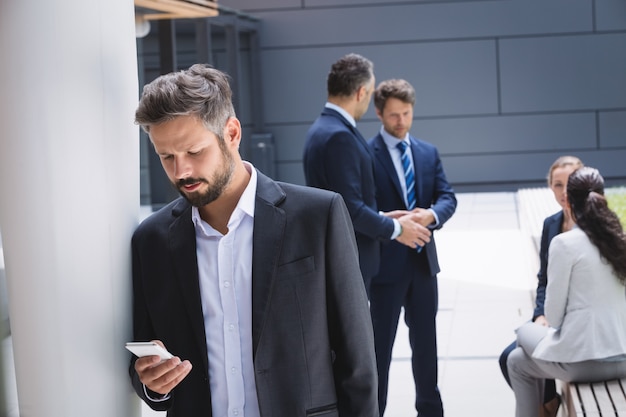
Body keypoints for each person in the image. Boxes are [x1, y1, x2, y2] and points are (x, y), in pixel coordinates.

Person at [129, 64, 379, 417]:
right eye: (166, 157)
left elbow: (357, 359)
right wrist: (151, 384)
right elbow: (146, 358)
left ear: (231, 133)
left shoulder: (317, 216)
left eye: (194, 152)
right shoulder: (150, 241)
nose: (180, 170)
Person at [303, 53, 430, 296]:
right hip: (350, 260)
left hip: (338, 255)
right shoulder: (339, 136)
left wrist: (381, 216)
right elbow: (349, 208)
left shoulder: (321, 129)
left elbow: (341, 199)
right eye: (371, 94)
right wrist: (398, 229)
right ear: (361, 93)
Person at [367, 79, 457, 417]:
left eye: (406, 113)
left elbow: (448, 197)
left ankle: (431, 412)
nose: (401, 121)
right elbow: (363, 208)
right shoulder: (366, 154)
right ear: (379, 113)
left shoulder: (427, 152)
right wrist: (392, 226)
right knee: (380, 351)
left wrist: (430, 214)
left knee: (427, 348)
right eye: (393, 115)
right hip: (385, 269)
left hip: (422, 265)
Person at [508, 166, 626, 417]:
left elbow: (554, 317)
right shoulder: (620, 239)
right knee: (517, 361)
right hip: (622, 356)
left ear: (569, 202)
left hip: (585, 363)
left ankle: (548, 406)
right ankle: (547, 408)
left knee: (524, 333)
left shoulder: (565, 243)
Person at [498, 155, 583, 417]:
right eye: (557, 185)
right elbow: (544, 279)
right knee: (508, 357)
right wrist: (540, 315)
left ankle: (546, 408)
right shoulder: (552, 224)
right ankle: (548, 403)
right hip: (553, 319)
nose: (564, 191)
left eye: (570, 183)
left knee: (526, 350)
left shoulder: (596, 226)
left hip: (581, 321)